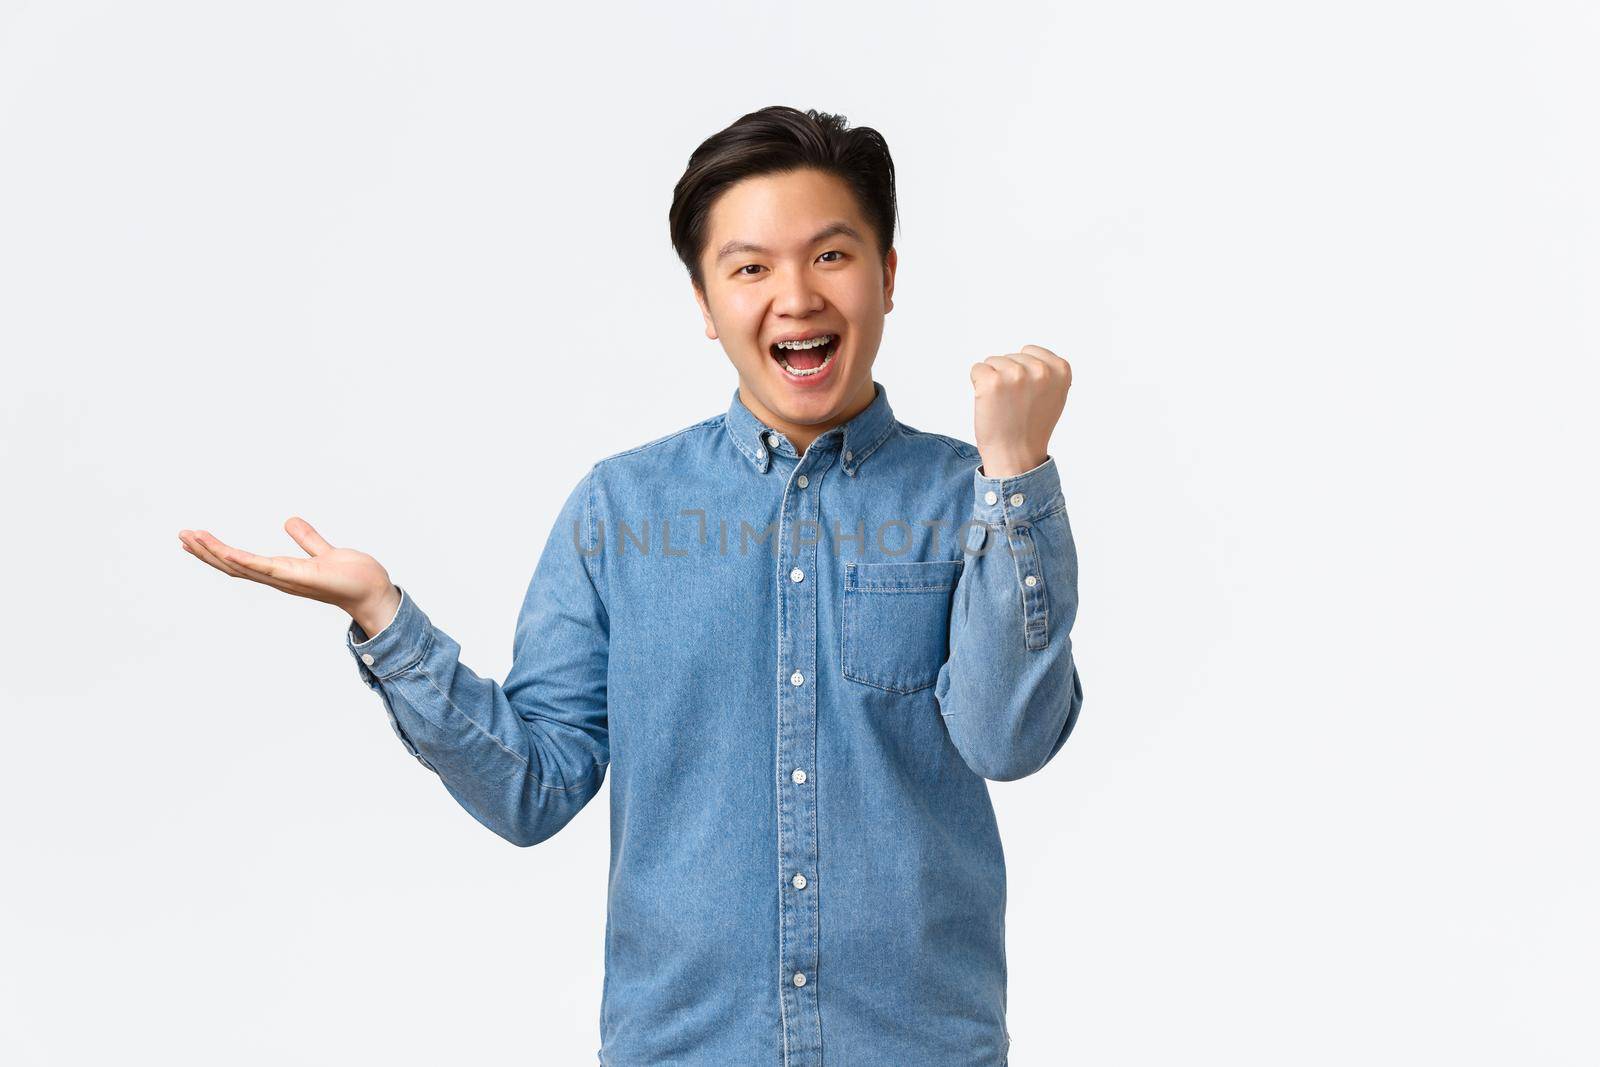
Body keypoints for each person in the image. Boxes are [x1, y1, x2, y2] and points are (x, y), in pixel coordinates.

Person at [178, 104, 1083, 1066]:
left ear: (888, 275)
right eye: (750, 267)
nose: (796, 297)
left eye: (830, 256)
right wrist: (382, 616)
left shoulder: (973, 494)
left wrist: (1017, 476)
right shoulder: (622, 507)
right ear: (704, 302)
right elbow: (533, 784)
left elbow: (1007, 739)